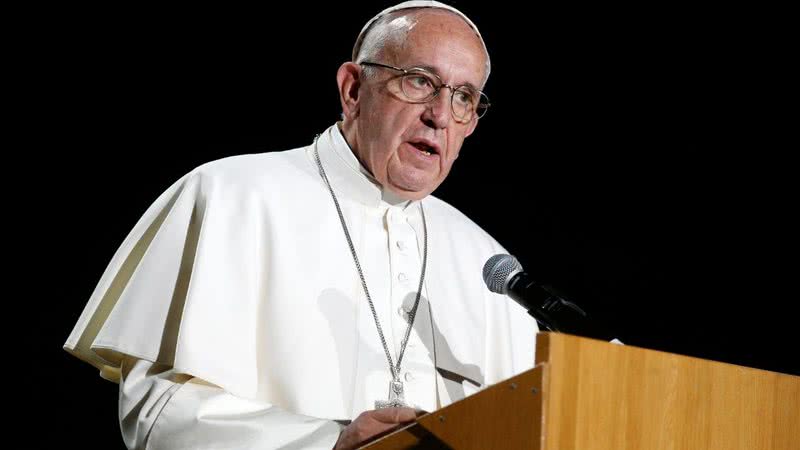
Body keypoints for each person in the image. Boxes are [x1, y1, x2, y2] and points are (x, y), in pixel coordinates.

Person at [64, 1, 539, 448]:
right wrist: (326, 441)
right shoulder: (232, 194)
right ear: (353, 90)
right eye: (419, 81)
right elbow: (158, 410)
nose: (439, 116)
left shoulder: (486, 260)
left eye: (464, 98)